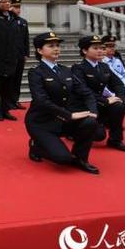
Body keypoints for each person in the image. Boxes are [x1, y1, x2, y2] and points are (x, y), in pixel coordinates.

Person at [25, 33, 100, 174]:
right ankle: (36, 147)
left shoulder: (65, 70)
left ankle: (81, 158)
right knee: (63, 159)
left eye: (58, 45)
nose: (56, 49)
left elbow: (86, 92)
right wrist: (69, 115)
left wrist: (93, 112)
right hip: (42, 123)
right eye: (51, 46)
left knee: (90, 122)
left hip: (63, 121)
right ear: (40, 51)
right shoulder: (36, 72)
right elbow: (42, 101)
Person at [72, 35, 125, 152]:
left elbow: (118, 84)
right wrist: (106, 100)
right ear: (84, 51)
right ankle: (75, 130)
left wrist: (121, 98)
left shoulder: (104, 66)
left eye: (101, 48)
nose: (100, 51)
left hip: (100, 105)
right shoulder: (78, 68)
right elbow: (83, 91)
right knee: (99, 136)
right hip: (85, 106)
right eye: (95, 48)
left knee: (119, 106)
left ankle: (115, 140)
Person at [9, 0, 29, 110]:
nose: (18, 10)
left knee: (18, 79)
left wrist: (26, 53)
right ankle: (7, 101)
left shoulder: (23, 22)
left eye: (19, 7)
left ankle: (15, 100)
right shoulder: (7, 20)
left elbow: (25, 39)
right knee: (10, 79)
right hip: (10, 55)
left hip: (20, 55)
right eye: (15, 7)